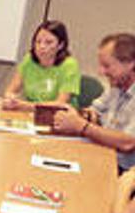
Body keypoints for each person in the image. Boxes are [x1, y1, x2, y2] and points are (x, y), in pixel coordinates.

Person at [53, 33, 135, 173]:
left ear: (130, 64)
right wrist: (78, 115)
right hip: (102, 157)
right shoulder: (117, 87)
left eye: (107, 66)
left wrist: (82, 126)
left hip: (124, 174)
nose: (101, 71)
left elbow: (128, 143)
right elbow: (95, 111)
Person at [3, 20, 81, 111]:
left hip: (59, 118)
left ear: (61, 45)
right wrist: (10, 98)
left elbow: (60, 104)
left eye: (48, 42)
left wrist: (25, 106)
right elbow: (11, 89)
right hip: (31, 114)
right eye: (38, 41)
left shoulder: (70, 65)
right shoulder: (29, 60)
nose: (42, 46)